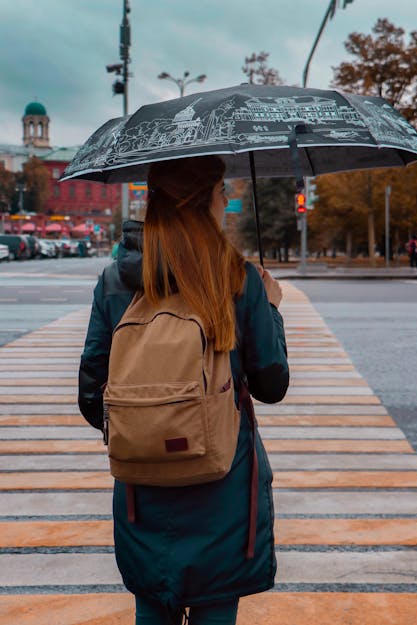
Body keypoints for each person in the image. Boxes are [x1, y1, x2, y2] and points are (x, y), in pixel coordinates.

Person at [78, 155, 289, 625]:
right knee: (216, 610)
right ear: (202, 201)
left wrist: (152, 425)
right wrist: (270, 307)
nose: (228, 198)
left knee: (152, 607)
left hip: (143, 494)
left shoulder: (115, 282)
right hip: (222, 487)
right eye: (221, 191)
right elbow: (272, 384)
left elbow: (93, 400)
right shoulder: (238, 278)